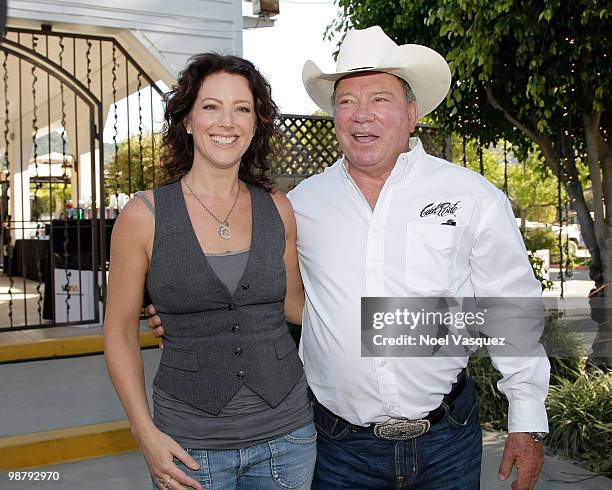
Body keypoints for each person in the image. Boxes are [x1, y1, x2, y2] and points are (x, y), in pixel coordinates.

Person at [148, 27, 550, 489]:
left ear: (411, 114)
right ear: (333, 114)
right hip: (338, 448)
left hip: (447, 442)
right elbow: (252, 285)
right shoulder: (300, 204)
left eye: (379, 99)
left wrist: (526, 417)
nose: (361, 116)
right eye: (346, 101)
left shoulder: (471, 197)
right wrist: (185, 315)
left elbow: (511, 309)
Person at [104, 53, 315, 490]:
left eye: (242, 108)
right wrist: (146, 434)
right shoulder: (144, 215)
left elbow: (297, 307)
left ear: (255, 124)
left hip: (289, 438)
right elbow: (119, 333)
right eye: (211, 106)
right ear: (186, 120)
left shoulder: (277, 207)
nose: (227, 122)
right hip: (189, 447)